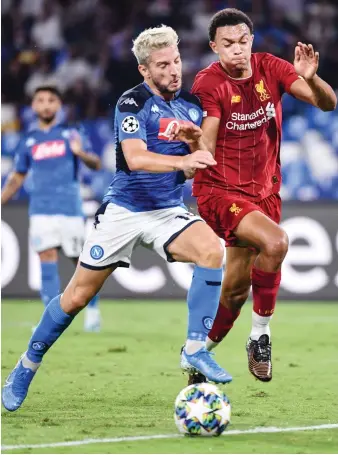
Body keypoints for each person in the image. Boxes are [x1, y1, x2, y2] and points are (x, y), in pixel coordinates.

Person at [2, 25, 232, 412]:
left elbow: (200, 159)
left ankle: (195, 348)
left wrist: (195, 143)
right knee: (76, 298)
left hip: (166, 210)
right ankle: (27, 364)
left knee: (212, 250)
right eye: (163, 65)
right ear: (144, 70)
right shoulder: (131, 103)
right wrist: (184, 158)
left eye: (176, 61)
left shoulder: (190, 106)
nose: (174, 70)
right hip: (124, 211)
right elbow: (135, 157)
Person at [184, 8, 337, 383]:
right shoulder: (209, 83)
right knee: (277, 242)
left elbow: (328, 103)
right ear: (213, 47)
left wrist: (311, 80)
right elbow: (208, 144)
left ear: (251, 41)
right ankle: (260, 337)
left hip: (264, 193)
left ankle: (198, 357)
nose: (236, 50)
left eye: (242, 42)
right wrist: (193, 145)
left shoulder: (270, 67)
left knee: (235, 292)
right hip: (220, 190)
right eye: (227, 44)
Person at [1, 86, 102, 332]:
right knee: (46, 257)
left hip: (70, 209)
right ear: (33, 106)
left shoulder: (72, 134)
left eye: (51, 100)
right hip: (41, 209)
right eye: (41, 100)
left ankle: (92, 312)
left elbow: (96, 163)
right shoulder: (29, 141)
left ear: (59, 106)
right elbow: (17, 177)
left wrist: (81, 153)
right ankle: (51, 319)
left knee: (81, 263)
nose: (46, 105)